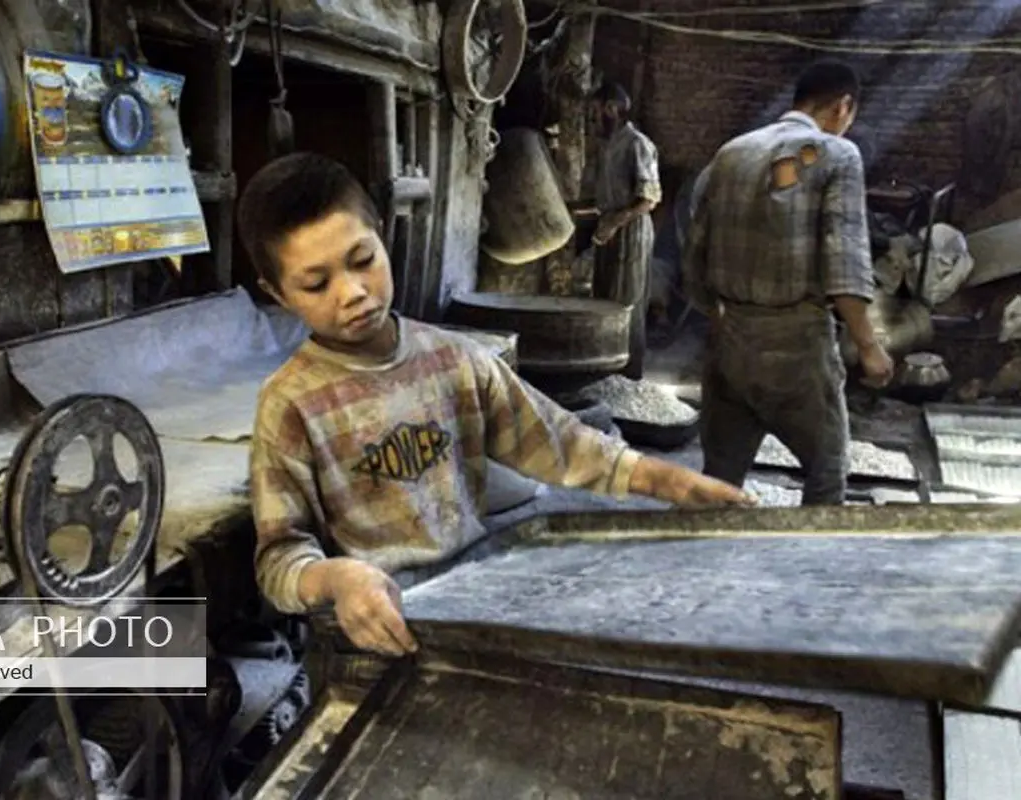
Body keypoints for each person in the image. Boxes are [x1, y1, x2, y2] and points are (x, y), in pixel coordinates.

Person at [238, 152, 754, 658]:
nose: (351, 293)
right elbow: (279, 559)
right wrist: (337, 577)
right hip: (372, 631)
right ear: (278, 293)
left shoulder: (455, 362)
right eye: (315, 283)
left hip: (467, 603)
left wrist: (671, 481)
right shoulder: (292, 405)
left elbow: (564, 444)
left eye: (362, 261)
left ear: (379, 231)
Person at [682, 60, 894, 506]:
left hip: (729, 341)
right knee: (826, 472)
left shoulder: (732, 152)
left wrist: (719, 311)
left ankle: (697, 566)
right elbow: (844, 261)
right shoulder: (836, 155)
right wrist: (869, 346)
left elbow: (695, 246)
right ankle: (811, 569)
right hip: (796, 348)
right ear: (843, 106)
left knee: (719, 478)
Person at [590, 81, 662, 379]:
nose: (592, 117)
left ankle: (629, 377)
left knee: (626, 304)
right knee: (603, 301)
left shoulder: (637, 144)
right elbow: (604, 196)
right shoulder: (607, 145)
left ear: (612, 109)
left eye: (595, 111)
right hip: (609, 227)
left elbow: (648, 199)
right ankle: (605, 374)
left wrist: (613, 222)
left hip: (631, 231)